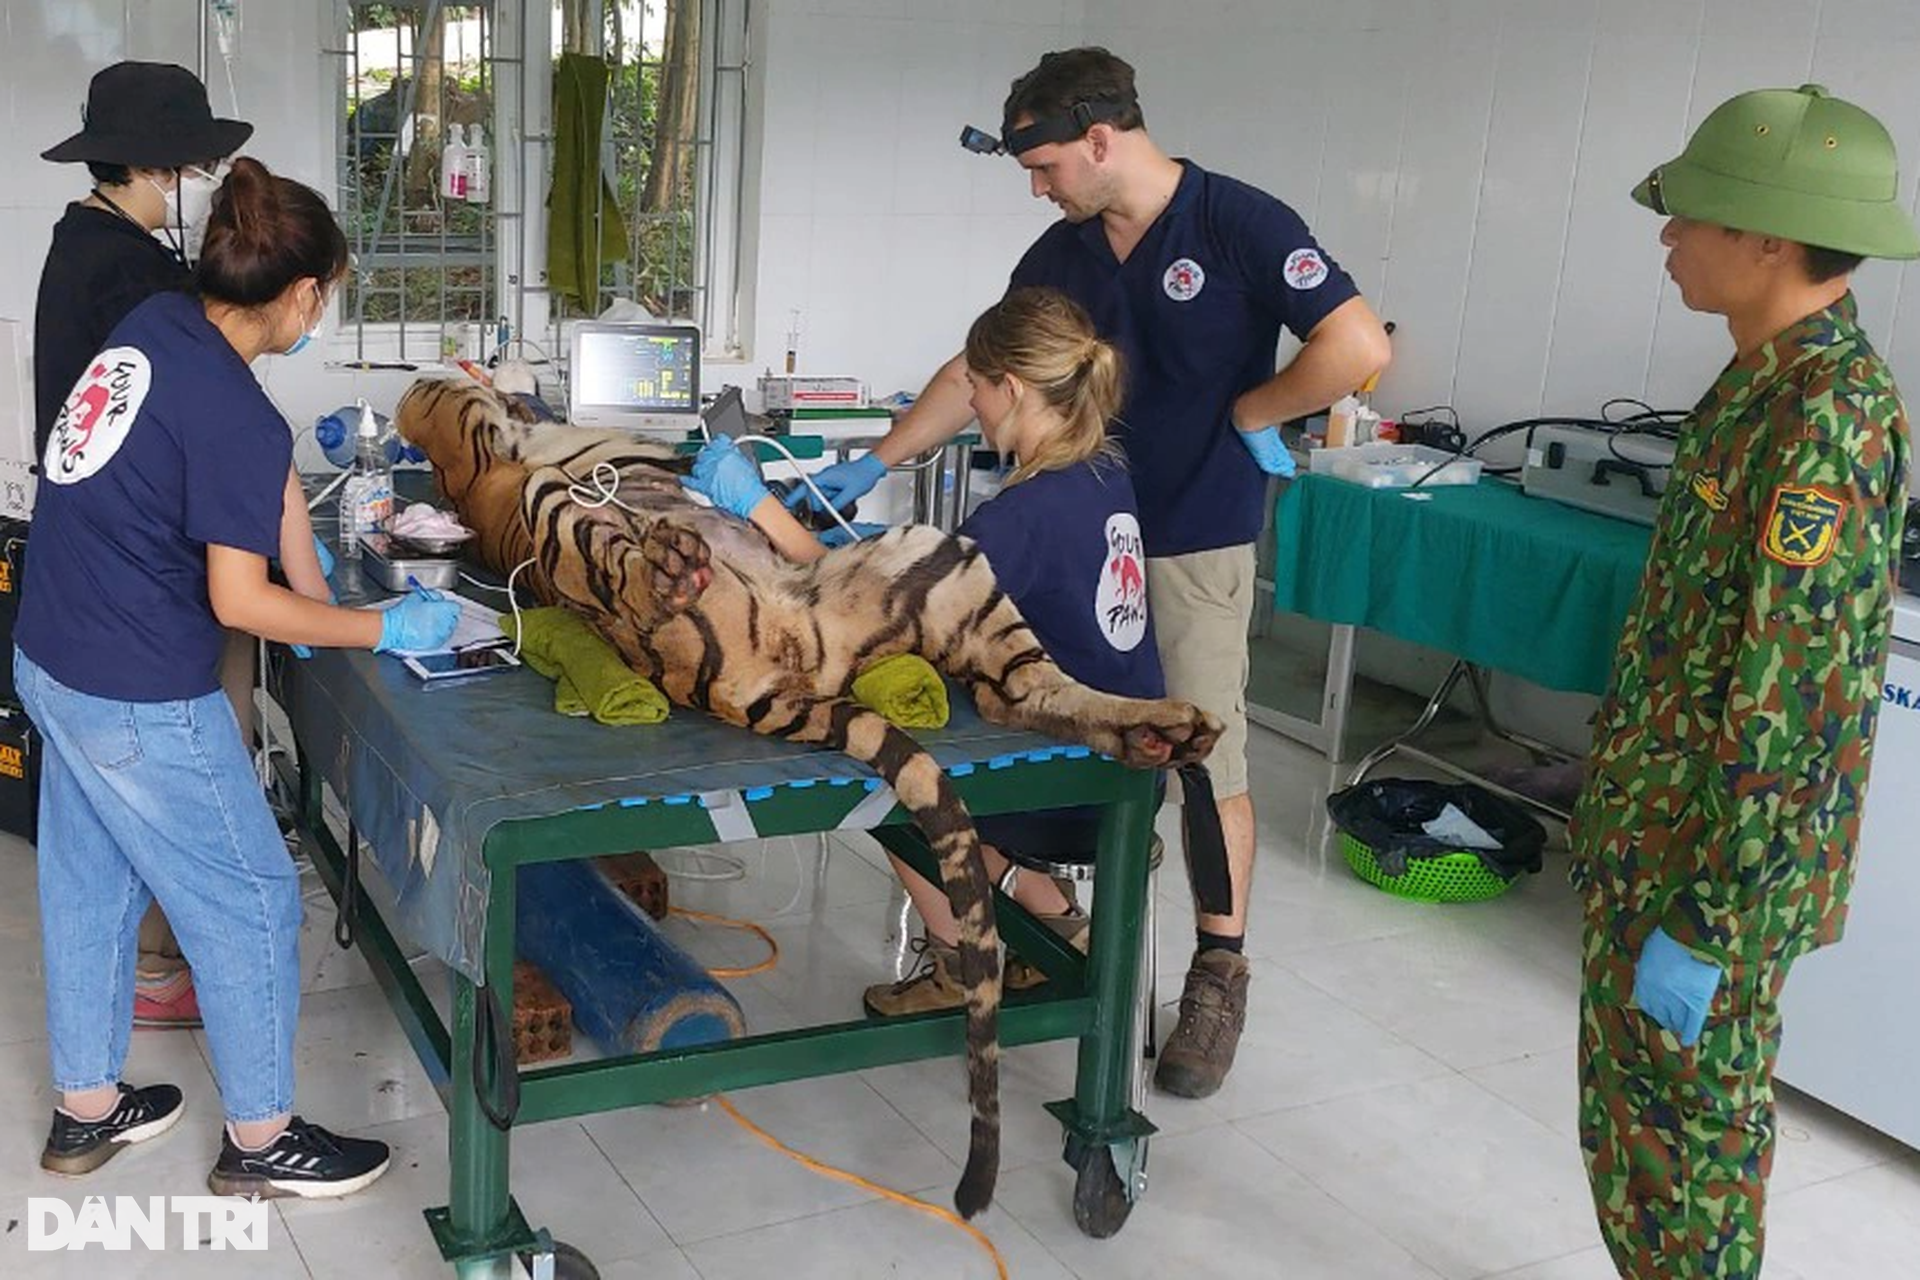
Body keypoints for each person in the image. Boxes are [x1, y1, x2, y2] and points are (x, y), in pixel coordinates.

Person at [785, 48, 1391, 1095]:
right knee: (1009, 722)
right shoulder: (1066, 250)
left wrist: (1250, 411)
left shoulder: (1237, 222)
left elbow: (1357, 344)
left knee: (1205, 751)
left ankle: (1217, 965)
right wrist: (877, 459)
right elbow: (981, 361)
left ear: (1102, 140)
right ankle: (1030, 913)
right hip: (1077, 532)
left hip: (1190, 536)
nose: (1038, 186)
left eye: (1047, 164)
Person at [14, 156, 460, 1195]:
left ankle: (86, 1110)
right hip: (133, 689)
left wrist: (327, 606)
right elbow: (237, 604)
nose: (324, 313)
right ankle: (263, 1140)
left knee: (90, 883)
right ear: (302, 292)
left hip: (50, 654)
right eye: (330, 295)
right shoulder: (230, 406)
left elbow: (262, 488)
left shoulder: (162, 326)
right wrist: (381, 626)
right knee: (257, 896)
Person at [1569, 84, 1914, 1279]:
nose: (1668, 237)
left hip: (1710, 870)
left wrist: (1714, 918)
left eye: (1691, 216)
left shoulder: (1830, 417)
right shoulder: (1757, 381)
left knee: (1684, 1154)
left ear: (1767, 236)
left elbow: (1797, 704)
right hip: (1660, 834)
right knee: (1634, 1135)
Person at [686, 287, 1162, 1010]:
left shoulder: (1024, 515)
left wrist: (760, 511)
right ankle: (1050, 917)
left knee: (881, 774)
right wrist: (877, 550)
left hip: (1068, 784)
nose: (969, 400)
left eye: (974, 386)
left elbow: (862, 618)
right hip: (1121, 758)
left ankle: (961, 967)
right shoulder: (1102, 473)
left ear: (1012, 388)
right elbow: (970, 581)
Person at [33, 60, 326, 1030]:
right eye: (187, 164)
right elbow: (238, 571)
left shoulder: (88, 251)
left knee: (86, 876)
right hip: (141, 605)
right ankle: (240, 1087)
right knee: (243, 878)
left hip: (68, 604)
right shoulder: (139, 280)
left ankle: (86, 1101)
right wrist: (343, 616)